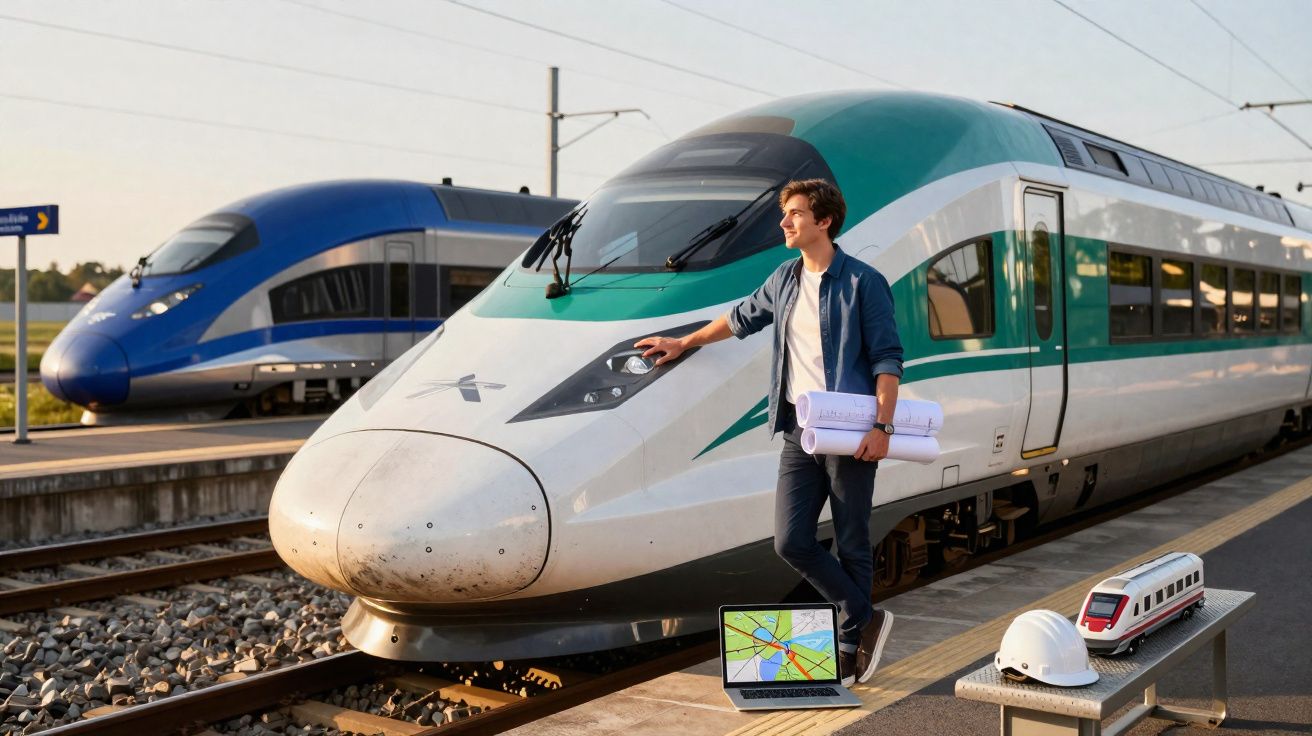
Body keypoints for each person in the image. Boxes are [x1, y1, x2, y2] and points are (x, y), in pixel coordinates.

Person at [636, 179, 902, 687]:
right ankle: (864, 616)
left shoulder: (863, 282)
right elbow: (739, 319)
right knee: (791, 540)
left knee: (852, 538)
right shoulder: (784, 279)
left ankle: (851, 644)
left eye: (794, 214)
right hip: (798, 429)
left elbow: (888, 359)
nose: (784, 223)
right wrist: (685, 342)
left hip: (849, 430)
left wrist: (881, 425)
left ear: (824, 221)